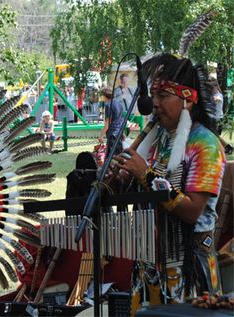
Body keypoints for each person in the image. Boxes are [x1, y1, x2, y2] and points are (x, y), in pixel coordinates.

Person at [113, 53, 225, 297]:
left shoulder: (205, 144)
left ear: (188, 100)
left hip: (190, 268)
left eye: (163, 96)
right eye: (153, 95)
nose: (154, 103)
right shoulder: (158, 138)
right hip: (151, 262)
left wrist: (146, 175)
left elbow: (192, 210)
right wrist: (119, 178)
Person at [98, 87, 124, 156]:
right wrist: (123, 133)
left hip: (112, 135)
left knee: (110, 158)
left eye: (101, 95)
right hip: (119, 133)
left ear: (104, 96)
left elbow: (107, 124)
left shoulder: (108, 105)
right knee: (119, 156)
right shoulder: (119, 104)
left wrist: (101, 136)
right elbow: (121, 120)